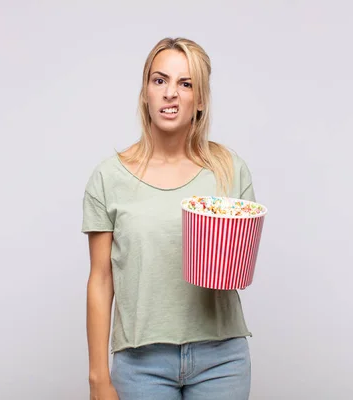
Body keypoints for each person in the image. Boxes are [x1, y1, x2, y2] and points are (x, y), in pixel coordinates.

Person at [81, 37, 257, 400]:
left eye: (186, 83)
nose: (170, 93)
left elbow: (239, 265)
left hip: (221, 359)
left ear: (201, 99)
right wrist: (98, 379)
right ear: (145, 92)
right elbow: (100, 279)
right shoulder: (109, 177)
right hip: (141, 363)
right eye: (159, 80)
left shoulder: (229, 171)